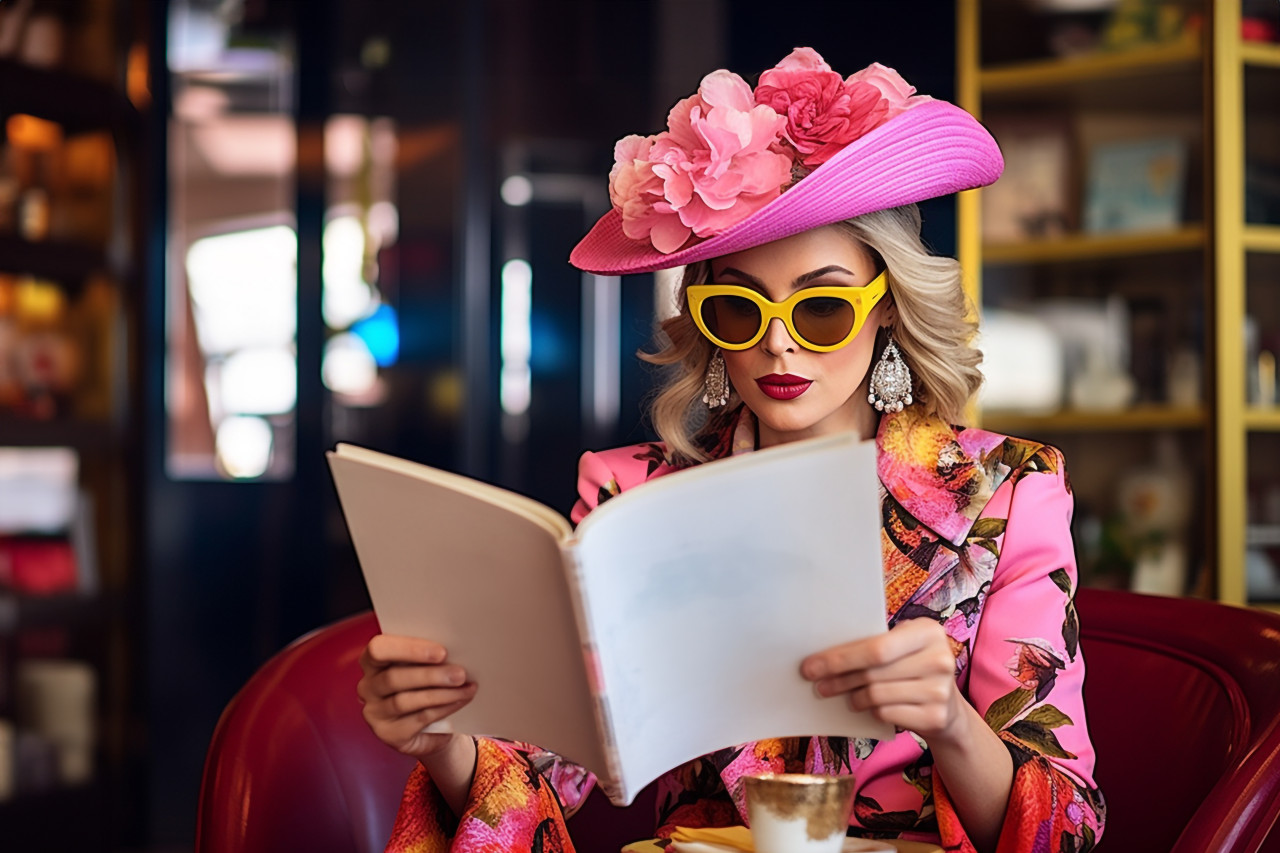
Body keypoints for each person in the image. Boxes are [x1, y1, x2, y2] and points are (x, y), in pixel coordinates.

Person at [357, 48, 1107, 853]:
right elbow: (544, 766)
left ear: (887, 307)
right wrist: (440, 738)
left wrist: (951, 722)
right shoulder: (631, 498)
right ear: (703, 322)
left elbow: (1065, 826)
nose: (779, 345)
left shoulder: (1008, 493)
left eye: (821, 309)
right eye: (738, 311)